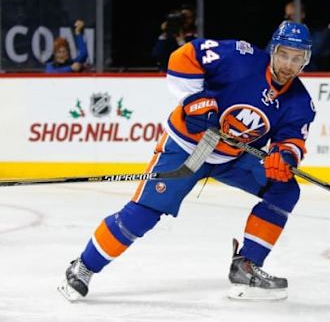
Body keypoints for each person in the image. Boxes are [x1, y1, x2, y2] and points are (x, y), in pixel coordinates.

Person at [59, 21, 316, 301]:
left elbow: (293, 138)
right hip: (189, 147)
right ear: (272, 50)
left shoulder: (300, 101)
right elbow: (184, 56)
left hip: (234, 158)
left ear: (306, 60)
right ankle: (83, 266)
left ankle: (247, 266)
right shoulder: (240, 58)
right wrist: (195, 99)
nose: (289, 64)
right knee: (144, 213)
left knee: (285, 188)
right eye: (284, 55)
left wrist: (283, 155)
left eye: (297, 58)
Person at [152, 6, 198, 72]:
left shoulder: (195, 37)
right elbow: (156, 55)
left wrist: (180, 40)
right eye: (182, 18)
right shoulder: (167, 38)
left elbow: (189, 57)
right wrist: (164, 33)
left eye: (187, 18)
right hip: (167, 73)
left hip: (187, 73)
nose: (184, 21)